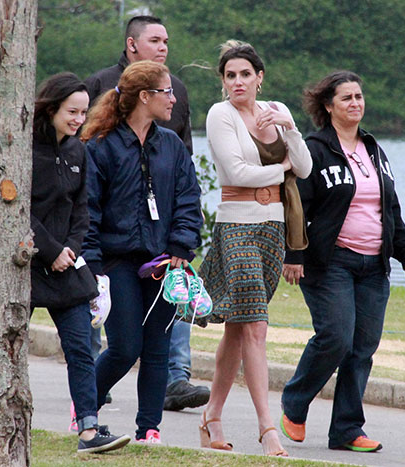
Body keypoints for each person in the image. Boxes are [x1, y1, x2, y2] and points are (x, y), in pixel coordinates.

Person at [279, 71, 405, 453]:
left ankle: (346, 429)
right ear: (328, 106)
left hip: (374, 265)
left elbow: (389, 205)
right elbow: (296, 205)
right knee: (336, 338)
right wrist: (294, 255)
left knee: (361, 349)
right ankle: (294, 403)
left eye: (359, 96)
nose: (356, 103)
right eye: (346, 98)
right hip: (330, 262)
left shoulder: (373, 148)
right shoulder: (315, 149)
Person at [84, 15, 208, 411]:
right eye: (165, 93)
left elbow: (188, 198)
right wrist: (93, 261)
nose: (173, 99)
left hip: (163, 259)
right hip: (117, 258)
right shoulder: (102, 145)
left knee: (157, 349)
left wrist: (181, 247)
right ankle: (85, 403)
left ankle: (149, 429)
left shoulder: (170, 144)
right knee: (124, 348)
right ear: (144, 96)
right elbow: (87, 206)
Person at [198, 40, 312, 457]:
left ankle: (212, 415)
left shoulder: (276, 111)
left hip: (273, 229)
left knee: (238, 325)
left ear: (259, 78)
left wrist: (291, 129)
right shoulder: (219, 114)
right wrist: (280, 168)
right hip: (237, 227)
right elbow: (236, 171)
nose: (238, 81)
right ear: (224, 82)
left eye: (246, 74)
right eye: (230, 75)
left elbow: (305, 166)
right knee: (256, 327)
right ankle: (268, 429)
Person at [30, 72, 130, 453]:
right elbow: (15, 207)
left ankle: (89, 430)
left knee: (81, 347)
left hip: (66, 264)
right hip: (25, 262)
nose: (78, 120)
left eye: (83, 113)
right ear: (52, 108)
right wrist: (50, 250)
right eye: (72, 112)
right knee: (5, 345)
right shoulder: (24, 147)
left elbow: (82, 209)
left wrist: (69, 250)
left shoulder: (77, 150)